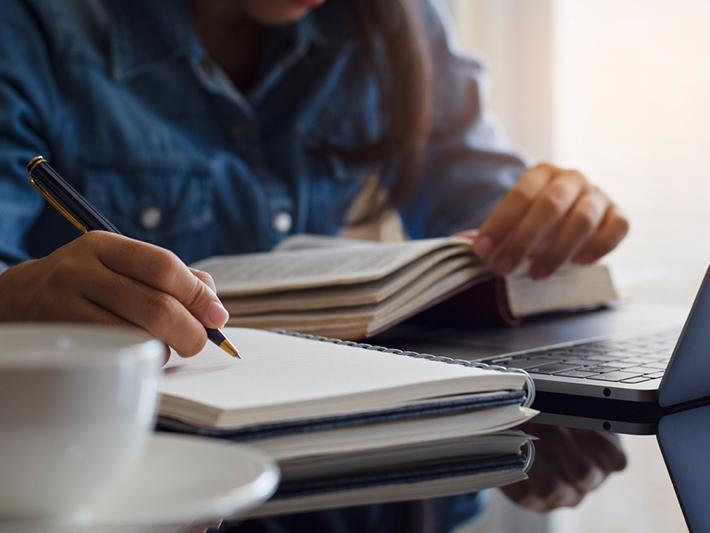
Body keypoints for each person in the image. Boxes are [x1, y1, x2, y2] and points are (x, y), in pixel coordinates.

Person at [0, 0, 628, 530]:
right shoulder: (33, 26)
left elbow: (477, 198)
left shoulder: (388, 19)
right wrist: (16, 299)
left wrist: (548, 215)